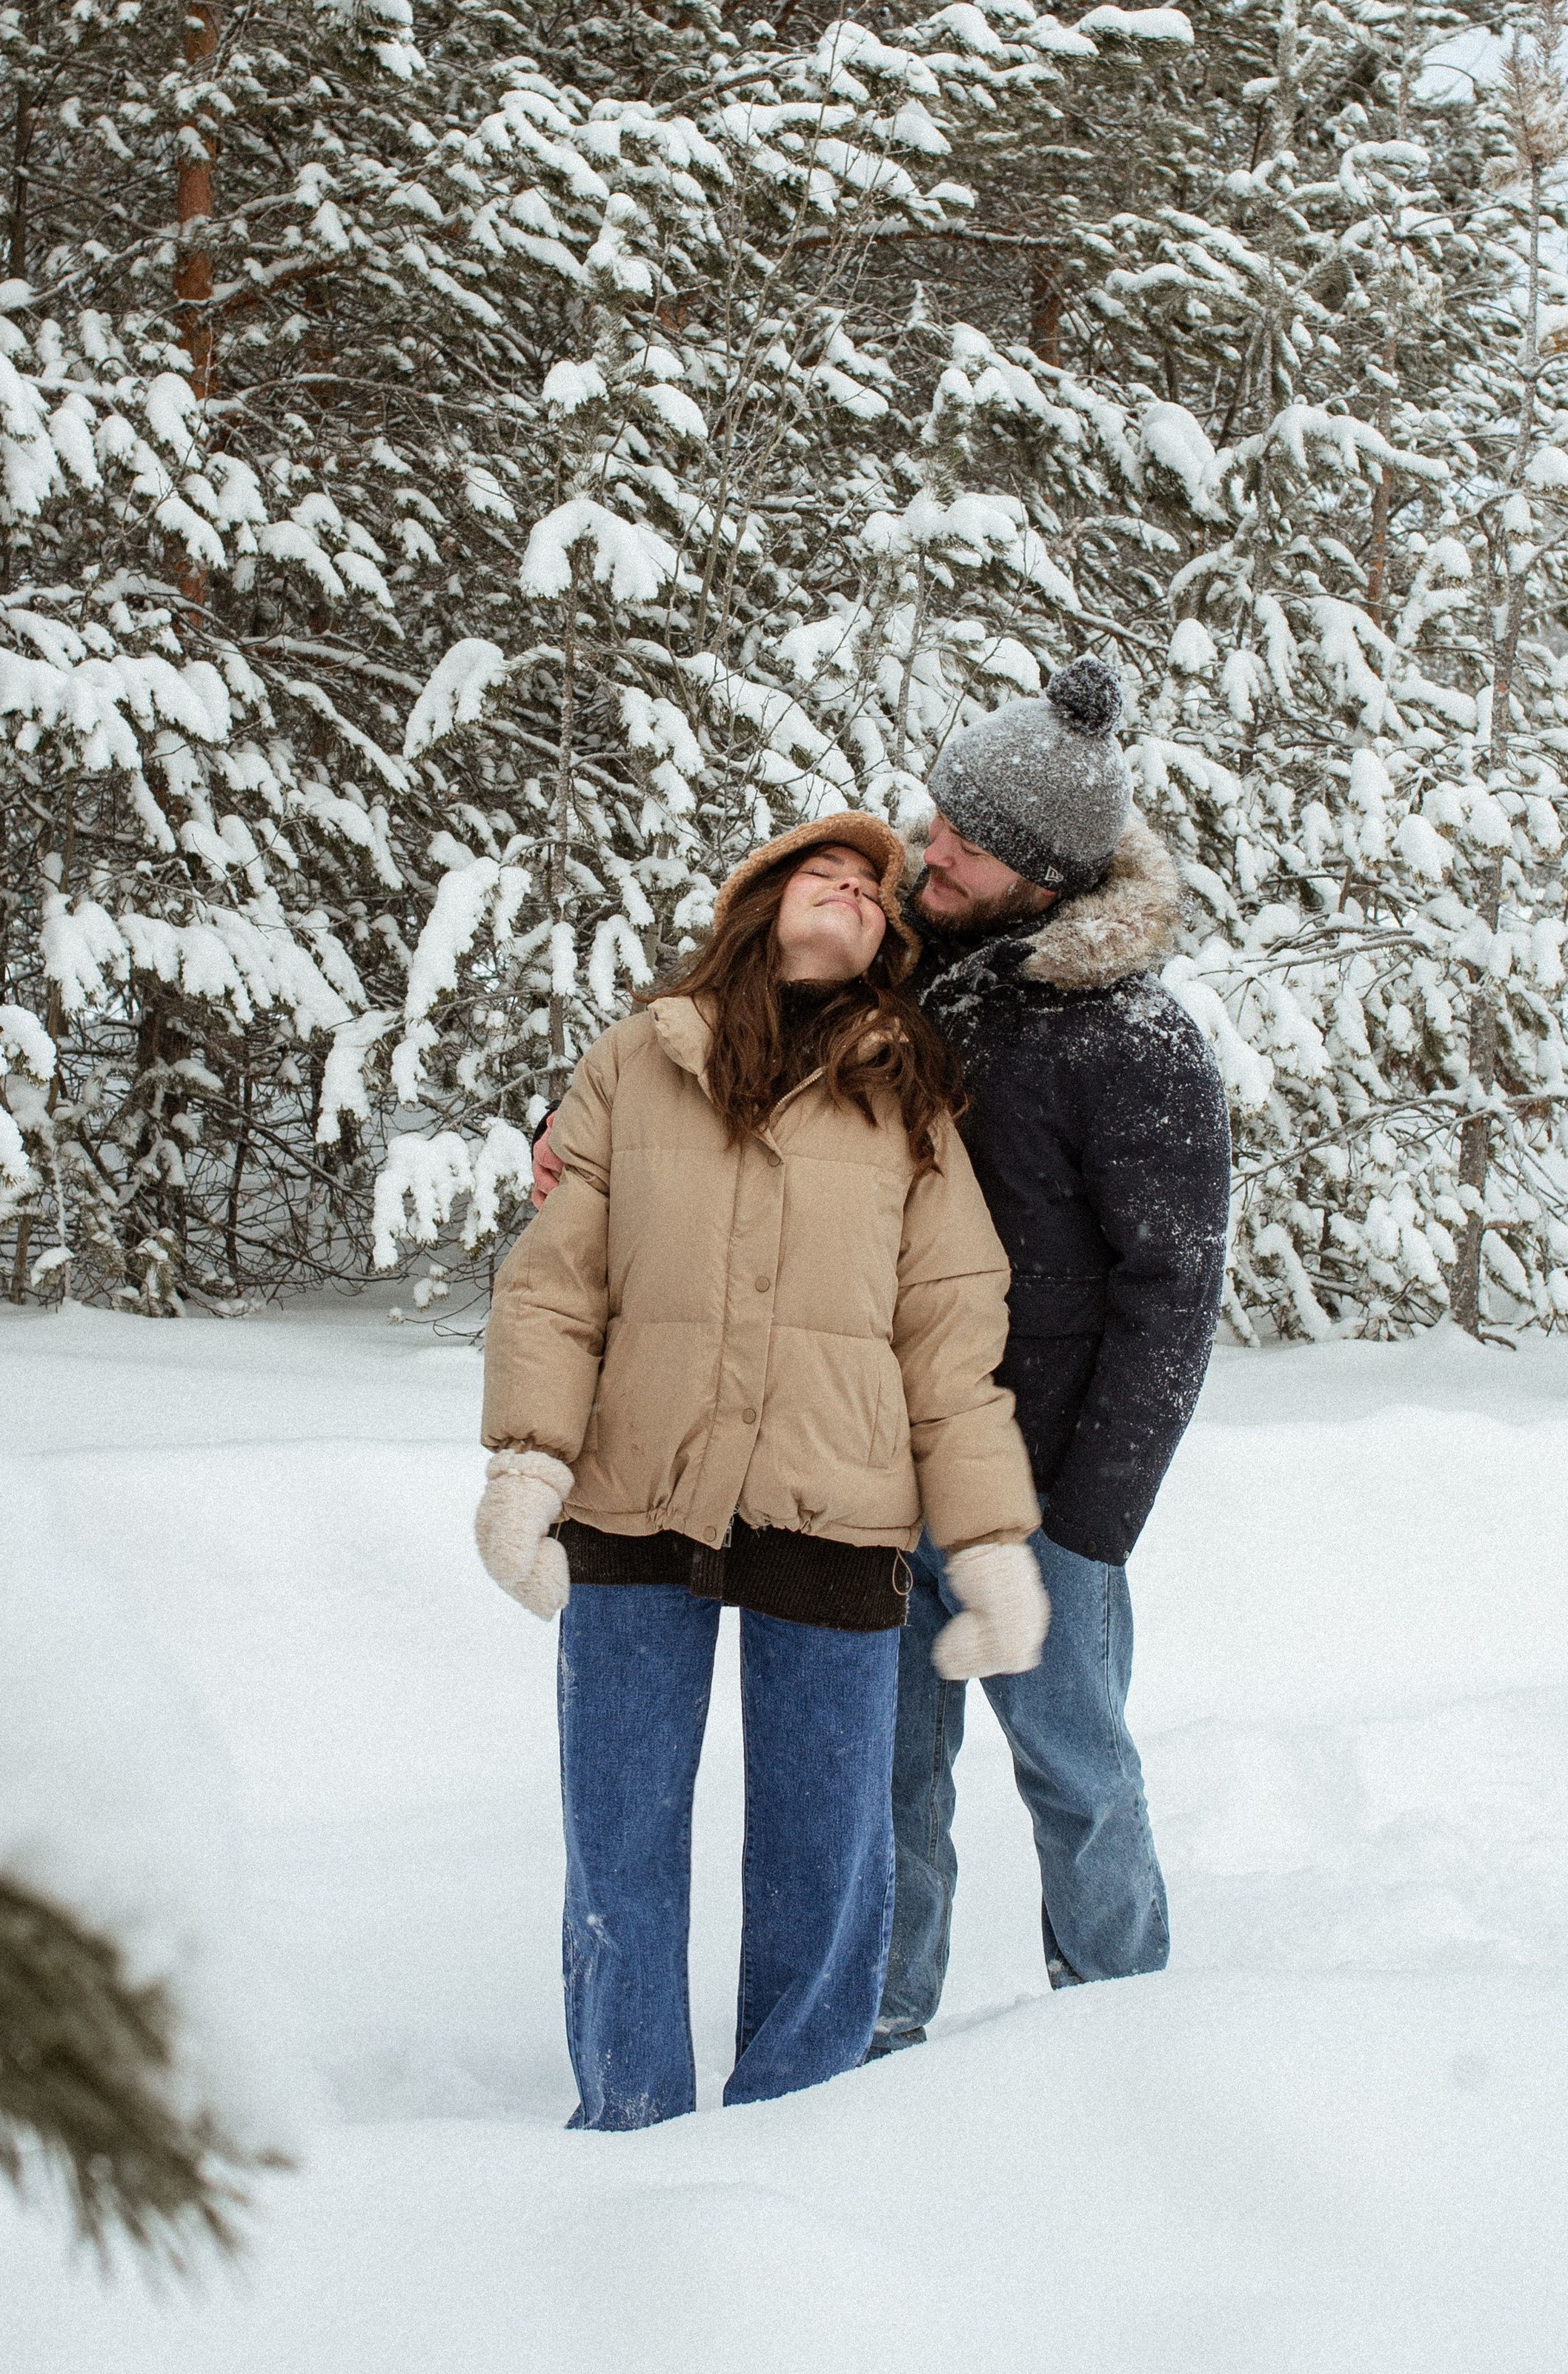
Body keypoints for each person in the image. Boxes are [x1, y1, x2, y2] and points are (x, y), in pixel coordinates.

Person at [476, 814, 1046, 2131]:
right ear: (759, 902)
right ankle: (629, 2118)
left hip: (837, 1503)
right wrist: (525, 1461)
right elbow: (558, 1286)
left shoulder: (910, 1092)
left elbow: (951, 1333)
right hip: (634, 1490)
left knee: (825, 1854)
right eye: (820, 871)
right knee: (618, 1835)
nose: (846, 888)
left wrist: (990, 1539)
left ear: (887, 940)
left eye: (870, 888)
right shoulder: (634, 1059)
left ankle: (798, 2129)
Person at [871, 654, 1232, 2041]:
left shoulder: (1137, 1042)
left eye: (970, 842)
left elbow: (1174, 1299)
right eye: (942, 817)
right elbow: (730, 1018)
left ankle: (1119, 2028)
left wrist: (1090, 1524)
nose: (932, 849)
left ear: (1050, 876)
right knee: (890, 1777)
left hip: (1035, 1501)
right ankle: (878, 2030)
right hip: (879, 1462)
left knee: (1072, 1768)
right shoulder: (907, 970)